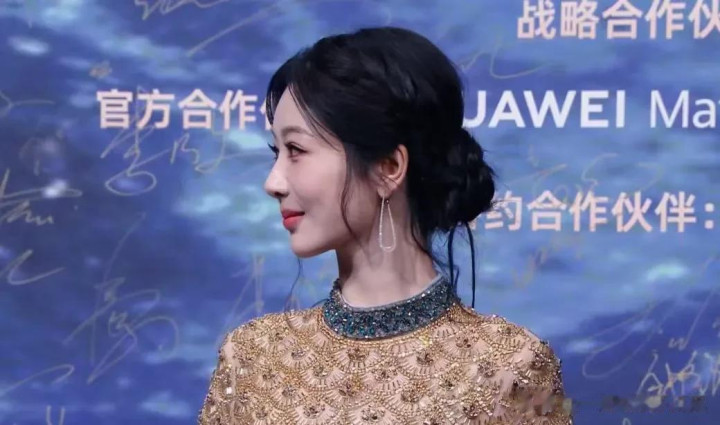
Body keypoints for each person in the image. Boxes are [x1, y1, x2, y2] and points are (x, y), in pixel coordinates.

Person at [198, 26, 573, 424]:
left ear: (389, 167)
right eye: (276, 152)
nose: (273, 182)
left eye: (296, 150)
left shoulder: (512, 366)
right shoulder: (252, 358)